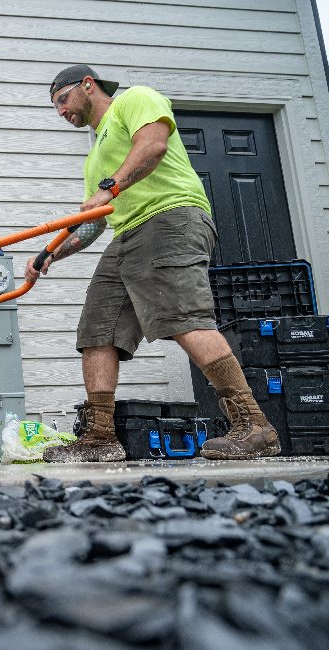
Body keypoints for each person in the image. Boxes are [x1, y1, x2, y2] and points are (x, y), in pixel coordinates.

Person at [27, 65, 280, 462]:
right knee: (98, 329)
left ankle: (254, 425)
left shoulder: (134, 100)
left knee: (184, 318)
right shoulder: (94, 157)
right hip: (126, 234)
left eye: (63, 100)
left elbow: (153, 145)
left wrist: (110, 186)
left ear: (87, 86)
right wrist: (49, 255)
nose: (61, 112)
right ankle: (100, 438)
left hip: (169, 218)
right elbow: (95, 223)